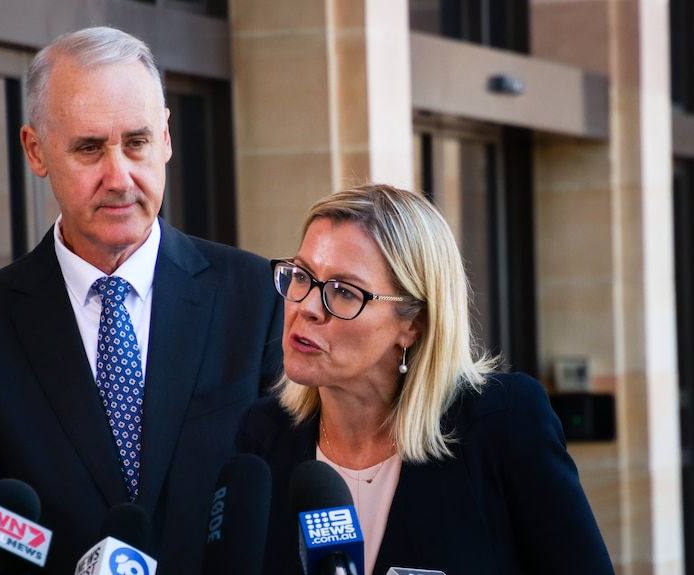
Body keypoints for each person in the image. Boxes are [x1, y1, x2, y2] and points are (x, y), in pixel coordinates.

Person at [0, 26, 283, 574]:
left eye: (136, 142)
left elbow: (277, 501)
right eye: (90, 148)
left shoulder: (259, 297)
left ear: (165, 137)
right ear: (36, 151)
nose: (119, 176)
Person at [237, 183, 615, 575]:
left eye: (343, 291)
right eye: (301, 276)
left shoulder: (503, 423)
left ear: (413, 324)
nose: (307, 307)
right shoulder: (263, 435)